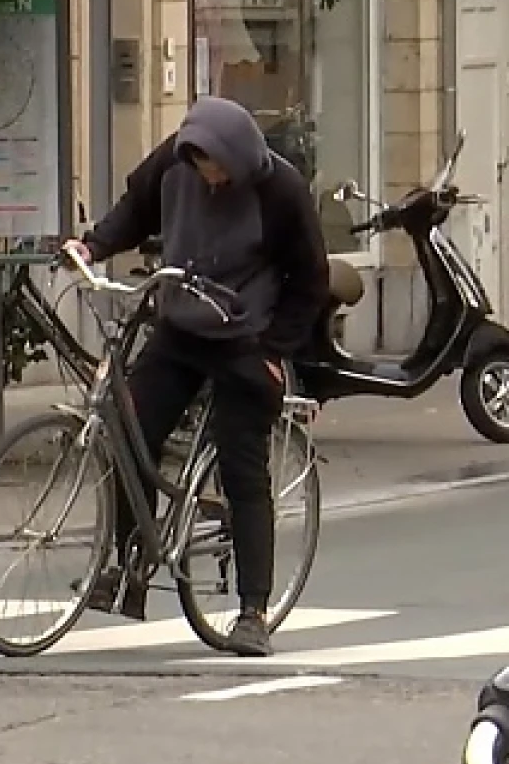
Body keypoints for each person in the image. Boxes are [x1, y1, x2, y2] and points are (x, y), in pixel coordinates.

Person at [63, 95, 330, 657]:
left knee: (242, 466)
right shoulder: (178, 163)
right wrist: (94, 243)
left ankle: (253, 611)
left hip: (244, 339)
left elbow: (310, 277)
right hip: (181, 329)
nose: (207, 176)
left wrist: (273, 350)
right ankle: (128, 564)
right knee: (128, 434)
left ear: (237, 157)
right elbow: (135, 209)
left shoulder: (279, 191)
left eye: (216, 167)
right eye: (200, 164)